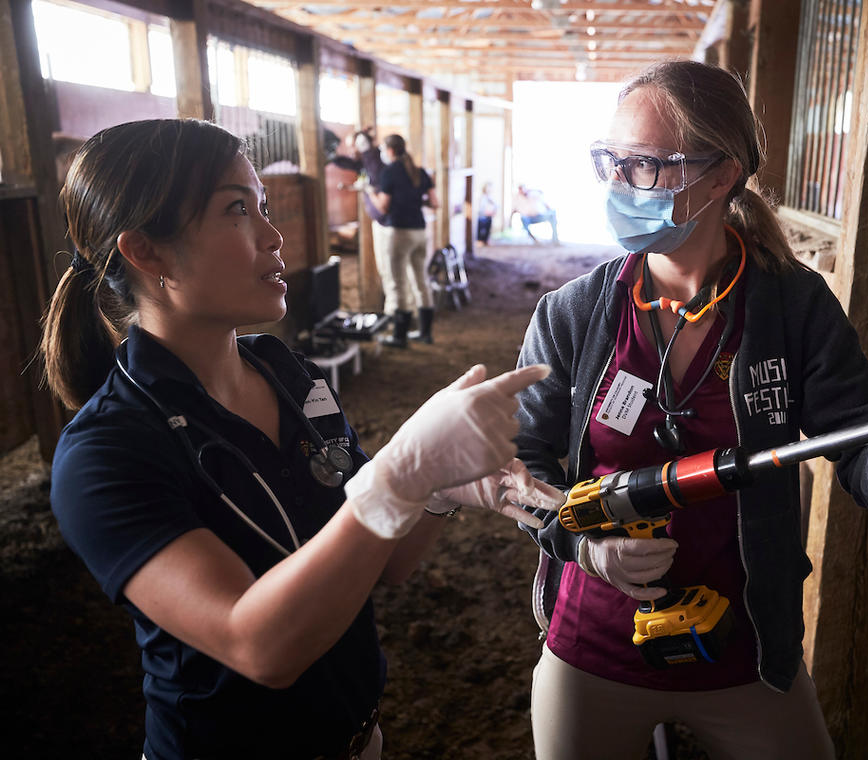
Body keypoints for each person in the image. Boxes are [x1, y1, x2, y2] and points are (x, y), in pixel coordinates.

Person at [40, 118, 563, 760]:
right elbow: (258, 644)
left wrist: (439, 489)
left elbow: (387, 558)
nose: (273, 235)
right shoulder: (106, 452)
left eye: (261, 206)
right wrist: (401, 469)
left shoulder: (286, 374)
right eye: (237, 210)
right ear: (145, 251)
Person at [513, 61, 868, 760]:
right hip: (594, 642)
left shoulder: (791, 306)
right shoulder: (575, 313)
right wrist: (582, 545)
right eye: (608, 161)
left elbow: (859, 450)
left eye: (644, 165)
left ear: (721, 173)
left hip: (743, 650)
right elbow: (519, 457)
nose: (619, 184)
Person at [375, 134, 437, 348]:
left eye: (383, 148)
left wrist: (368, 193)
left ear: (390, 150)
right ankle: (425, 333)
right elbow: (435, 202)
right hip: (420, 231)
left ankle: (399, 337)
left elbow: (383, 207)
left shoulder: (389, 172)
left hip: (399, 232)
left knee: (397, 283)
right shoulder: (419, 172)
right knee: (421, 281)